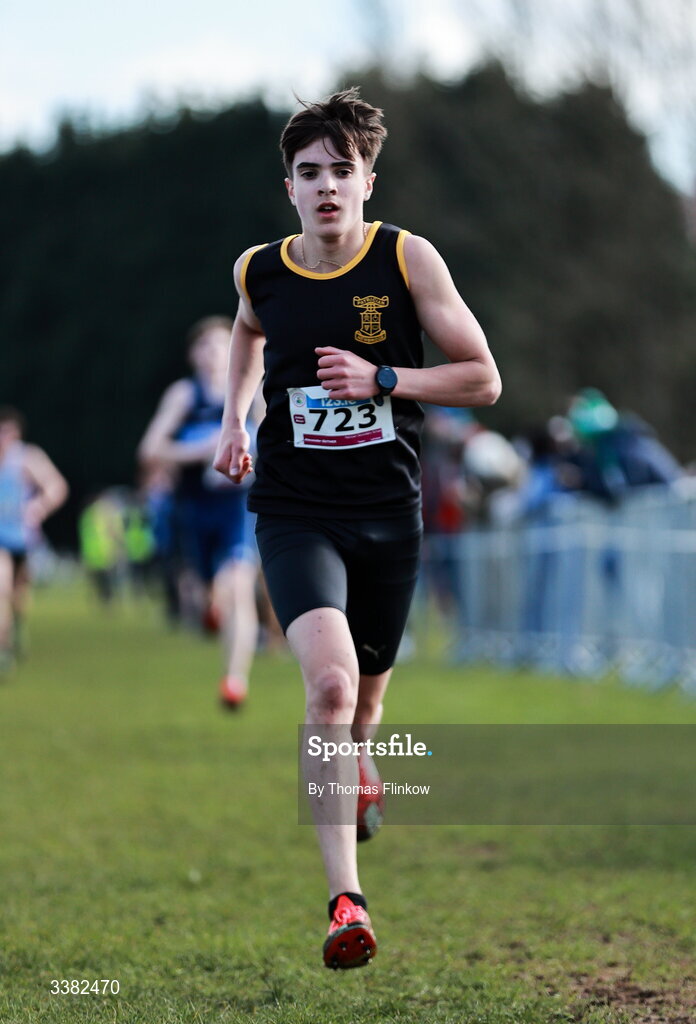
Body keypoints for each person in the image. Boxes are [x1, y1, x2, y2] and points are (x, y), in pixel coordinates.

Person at [213, 88, 501, 968]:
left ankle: (364, 770)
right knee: (331, 691)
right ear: (290, 188)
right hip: (297, 511)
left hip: (388, 513)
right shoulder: (259, 268)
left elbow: (482, 380)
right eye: (311, 174)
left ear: (369, 180)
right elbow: (247, 333)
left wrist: (384, 381)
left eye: (344, 170)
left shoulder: (408, 260)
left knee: (367, 704)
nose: (328, 187)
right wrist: (233, 417)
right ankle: (347, 902)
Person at [138, 317, 260, 708]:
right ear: (193, 354)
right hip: (194, 508)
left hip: (238, 506)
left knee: (239, 586)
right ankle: (210, 607)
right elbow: (150, 450)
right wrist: (204, 449)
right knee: (211, 592)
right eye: (204, 346)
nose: (212, 354)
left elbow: (276, 439)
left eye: (221, 345)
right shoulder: (184, 396)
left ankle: (234, 680)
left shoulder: (250, 391)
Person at [0, 406, 68, 670]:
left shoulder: (27, 458)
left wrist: (39, 507)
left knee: (18, 595)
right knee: (2, 589)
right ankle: (3, 648)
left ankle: (17, 627)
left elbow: (57, 486)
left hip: (22, 536)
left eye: (8, 432)